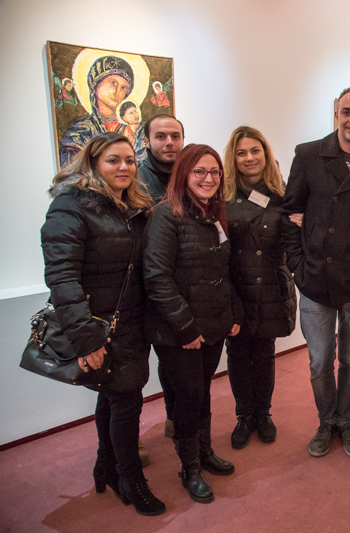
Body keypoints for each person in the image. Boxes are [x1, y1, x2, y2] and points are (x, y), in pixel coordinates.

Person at [41, 132, 164, 516]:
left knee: (113, 396)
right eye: (113, 160)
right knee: (127, 401)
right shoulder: (71, 206)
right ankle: (131, 479)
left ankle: (105, 466)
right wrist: (86, 339)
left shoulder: (135, 205)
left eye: (129, 160)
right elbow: (62, 277)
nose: (124, 167)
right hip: (99, 326)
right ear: (93, 164)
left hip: (131, 322)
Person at [282, 87, 350, 459]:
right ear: (336, 114)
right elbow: (289, 214)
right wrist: (298, 267)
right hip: (315, 279)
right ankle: (325, 420)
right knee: (319, 362)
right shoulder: (308, 155)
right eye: (347, 111)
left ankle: (345, 420)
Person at [143, 144, 242, 504]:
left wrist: (232, 314)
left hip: (212, 325)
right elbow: (157, 277)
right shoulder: (165, 215)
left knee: (202, 392)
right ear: (184, 174)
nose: (208, 178)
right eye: (199, 171)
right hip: (178, 331)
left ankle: (204, 452)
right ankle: (190, 468)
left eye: (214, 171)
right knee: (187, 397)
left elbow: (223, 271)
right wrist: (186, 329)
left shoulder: (213, 215)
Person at [223, 126, 297, 449]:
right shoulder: (222, 196)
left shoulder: (283, 194)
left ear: (265, 154)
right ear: (233, 158)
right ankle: (244, 416)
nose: (249, 158)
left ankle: (263, 414)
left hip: (270, 284)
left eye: (255, 151)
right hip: (235, 287)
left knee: (265, 353)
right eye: (241, 153)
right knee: (238, 353)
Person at [136, 114, 185, 440]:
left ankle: (174, 419)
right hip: (137, 286)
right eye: (161, 136)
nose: (169, 142)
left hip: (175, 284)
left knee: (172, 362)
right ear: (147, 141)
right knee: (131, 371)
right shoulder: (135, 179)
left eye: (175, 136)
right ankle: (128, 441)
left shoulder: (189, 175)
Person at [60, 56, 134, 167]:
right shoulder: (80, 131)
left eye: (123, 87)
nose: (117, 91)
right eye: (113, 83)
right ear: (96, 84)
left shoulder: (130, 129)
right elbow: (72, 169)